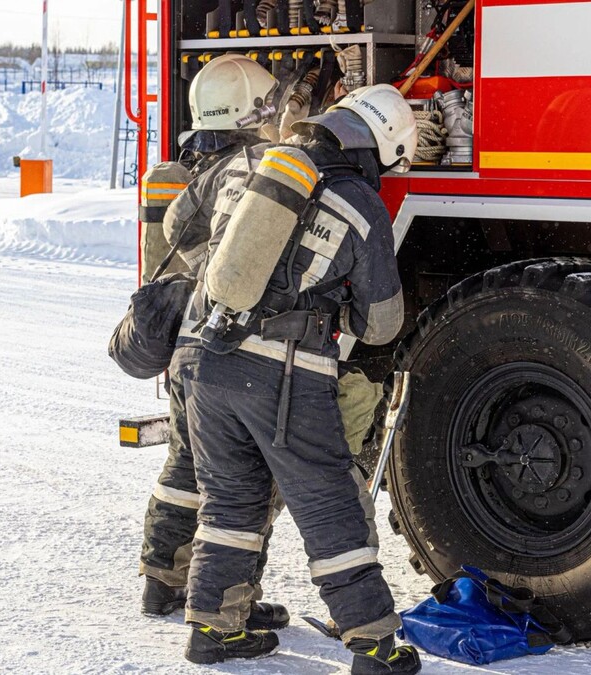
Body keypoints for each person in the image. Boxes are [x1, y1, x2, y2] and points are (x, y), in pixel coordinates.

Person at [171, 84, 422, 674]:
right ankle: (375, 644)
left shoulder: (258, 166)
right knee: (328, 501)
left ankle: (213, 628)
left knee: (230, 499)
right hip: (283, 371)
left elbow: (184, 230)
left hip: (206, 359)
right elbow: (382, 324)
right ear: (380, 146)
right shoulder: (359, 200)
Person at [137, 54, 289, 633]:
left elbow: (175, 230)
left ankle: (160, 581)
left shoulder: (203, 170)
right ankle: (234, 603)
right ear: (256, 108)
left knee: (182, 462)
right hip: (231, 350)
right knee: (241, 480)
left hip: (184, 347)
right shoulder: (263, 165)